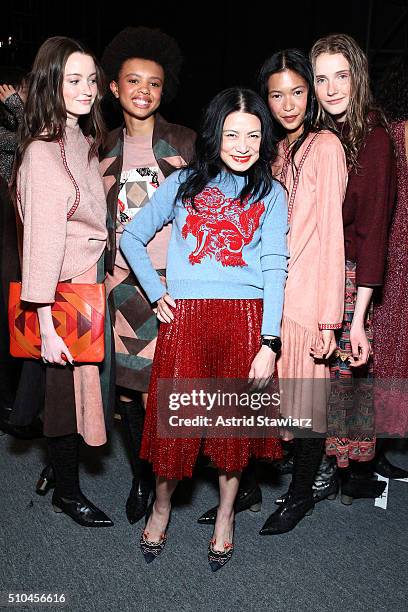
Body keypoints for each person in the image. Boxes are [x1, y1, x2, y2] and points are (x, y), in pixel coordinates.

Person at [120, 87, 288, 569]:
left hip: (245, 323)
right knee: (176, 429)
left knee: (233, 434)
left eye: (253, 135)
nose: (242, 144)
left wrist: (269, 342)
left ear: (263, 139)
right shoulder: (184, 183)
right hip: (187, 321)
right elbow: (131, 235)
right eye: (232, 133)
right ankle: (161, 507)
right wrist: (155, 291)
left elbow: (275, 266)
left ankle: (226, 517)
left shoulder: (269, 193)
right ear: (215, 135)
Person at [10, 36, 114, 527]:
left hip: (84, 286)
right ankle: (68, 494)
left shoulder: (77, 138)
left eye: (91, 79)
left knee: (75, 396)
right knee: (62, 404)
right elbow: (42, 247)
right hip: (62, 295)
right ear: (51, 83)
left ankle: (58, 473)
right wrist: (46, 326)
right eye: (74, 80)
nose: (87, 89)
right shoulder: (44, 155)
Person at [100, 27, 196, 524]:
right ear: (114, 88)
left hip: (173, 288)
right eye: (132, 81)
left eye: (153, 83)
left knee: (166, 388)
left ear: (164, 89)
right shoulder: (100, 146)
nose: (143, 91)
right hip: (121, 288)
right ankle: (144, 476)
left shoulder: (184, 144)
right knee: (129, 390)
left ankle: (167, 476)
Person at [252, 49, 346, 535]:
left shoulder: (325, 146)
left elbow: (332, 233)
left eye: (296, 91)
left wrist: (331, 320)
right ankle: (254, 485)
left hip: (308, 298)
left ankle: (302, 495)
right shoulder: (275, 150)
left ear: (309, 93)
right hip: (273, 294)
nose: (287, 104)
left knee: (307, 405)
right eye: (276, 94)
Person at [310, 33, 397, 503]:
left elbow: (373, 233)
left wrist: (359, 317)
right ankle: (325, 460)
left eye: (340, 76)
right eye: (321, 78)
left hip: (350, 278)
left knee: (347, 374)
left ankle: (335, 466)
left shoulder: (375, 139)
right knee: (324, 375)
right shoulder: (327, 136)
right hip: (324, 269)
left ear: (357, 76)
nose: (331, 88)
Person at [372, 54, 408, 453]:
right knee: (380, 354)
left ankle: (368, 453)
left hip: (392, 248)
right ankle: (360, 455)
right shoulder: (397, 132)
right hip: (394, 250)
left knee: (388, 354)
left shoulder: (391, 131)